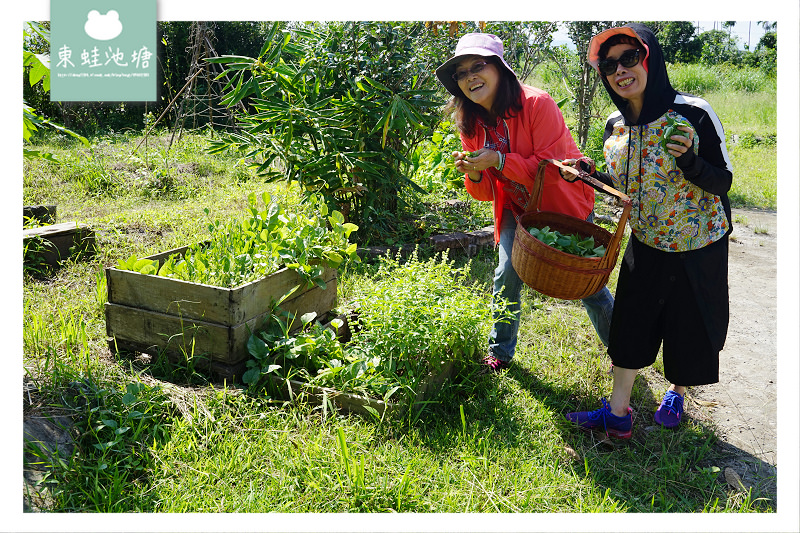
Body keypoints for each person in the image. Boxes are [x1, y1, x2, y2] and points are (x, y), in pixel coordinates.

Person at [562, 23, 733, 438]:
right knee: (631, 323)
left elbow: (723, 180)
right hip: (647, 240)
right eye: (609, 65)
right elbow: (623, 183)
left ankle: (676, 391)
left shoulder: (692, 113)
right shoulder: (613, 124)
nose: (620, 70)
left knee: (687, 323)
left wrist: (691, 163)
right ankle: (618, 415)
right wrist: (589, 174)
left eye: (630, 58)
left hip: (698, 242)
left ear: (649, 59)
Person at [434, 33, 615, 373]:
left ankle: (625, 351)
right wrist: (474, 173)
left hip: (562, 204)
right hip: (516, 208)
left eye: (478, 66)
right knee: (506, 274)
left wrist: (499, 161)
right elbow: (487, 191)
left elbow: (552, 170)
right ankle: (500, 352)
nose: (470, 77)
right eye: (461, 73)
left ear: (500, 69)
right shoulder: (471, 122)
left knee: (585, 286)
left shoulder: (536, 104)